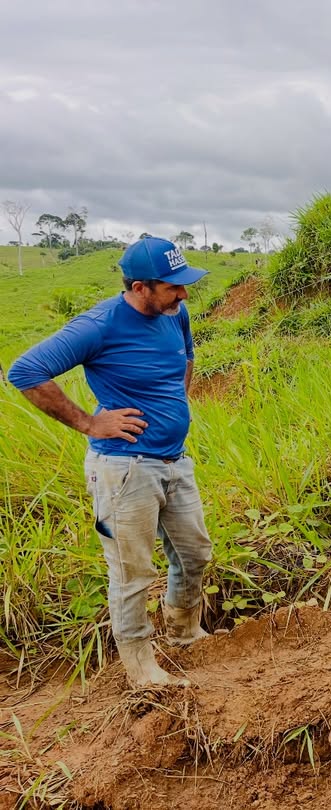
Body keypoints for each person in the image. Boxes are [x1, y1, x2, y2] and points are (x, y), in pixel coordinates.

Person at [8, 236, 214, 687]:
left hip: (174, 462)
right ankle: (141, 666)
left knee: (195, 553)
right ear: (140, 287)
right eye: (173, 287)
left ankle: (184, 631)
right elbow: (24, 371)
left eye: (184, 285)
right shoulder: (99, 325)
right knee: (132, 570)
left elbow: (186, 361)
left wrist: (173, 405)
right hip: (125, 470)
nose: (183, 294)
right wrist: (88, 423)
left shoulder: (175, 315)